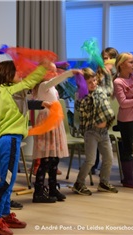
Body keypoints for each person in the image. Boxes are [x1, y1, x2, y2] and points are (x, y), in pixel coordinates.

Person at [0, 59, 50, 235]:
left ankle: (4, 214)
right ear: (7, 75)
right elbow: (30, 81)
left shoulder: (0, 93)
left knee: (9, 179)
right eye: (16, 72)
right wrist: (44, 65)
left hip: (7, 138)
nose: (20, 75)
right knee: (6, 180)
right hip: (11, 139)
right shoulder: (11, 90)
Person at [32, 63, 81, 203]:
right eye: (51, 71)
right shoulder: (43, 85)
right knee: (46, 159)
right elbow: (54, 80)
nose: (54, 74)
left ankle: (53, 188)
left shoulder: (51, 87)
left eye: (55, 71)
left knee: (54, 159)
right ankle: (39, 192)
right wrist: (69, 72)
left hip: (55, 122)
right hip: (47, 122)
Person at [0, 51, 23, 213]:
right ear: (7, 75)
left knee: (4, 171)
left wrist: (42, 104)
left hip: (3, 135)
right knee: (0, 170)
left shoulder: (7, 91)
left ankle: (1, 202)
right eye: (15, 72)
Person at [72, 67, 118, 195]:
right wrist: (84, 90)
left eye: (94, 81)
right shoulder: (82, 97)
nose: (93, 84)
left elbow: (109, 88)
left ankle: (104, 182)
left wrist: (107, 75)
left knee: (108, 158)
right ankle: (79, 183)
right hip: (91, 132)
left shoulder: (101, 90)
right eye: (89, 82)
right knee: (90, 161)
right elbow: (82, 107)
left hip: (104, 132)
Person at [113, 52, 133, 189]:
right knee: (128, 148)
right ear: (121, 64)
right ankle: (128, 179)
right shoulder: (118, 82)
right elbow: (123, 103)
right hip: (126, 120)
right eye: (131, 62)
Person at [92, 47, 119, 174]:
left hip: (113, 110)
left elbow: (113, 93)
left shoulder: (117, 74)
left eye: (110, 58)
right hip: (99, 109)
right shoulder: (98, 74)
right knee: (97, 135)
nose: (107, 60)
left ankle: (109, 166)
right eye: (104, 58)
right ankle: (94, 163)